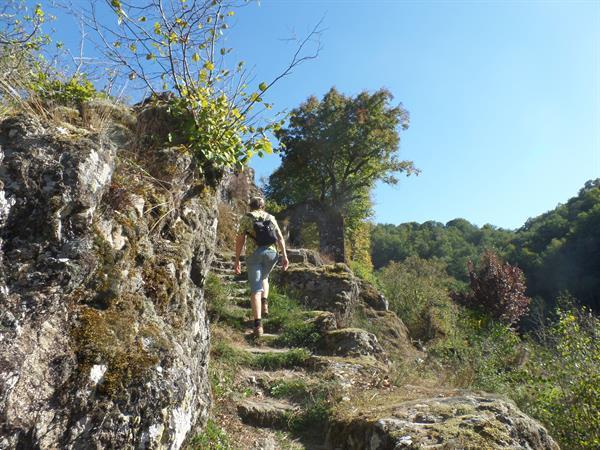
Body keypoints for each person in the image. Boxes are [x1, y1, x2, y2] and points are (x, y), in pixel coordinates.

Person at [234, 196, 289, 337]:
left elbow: (240, 239)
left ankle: (258, 325)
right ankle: (265, 303)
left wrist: (237, 260)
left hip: (254, 254)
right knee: (265, 277)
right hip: (272, 253)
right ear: (263, 206)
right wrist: (284, 256)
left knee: (256, 289)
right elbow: (280, 237)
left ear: (250, 206)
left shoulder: (246, 218)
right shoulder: (271, 217)